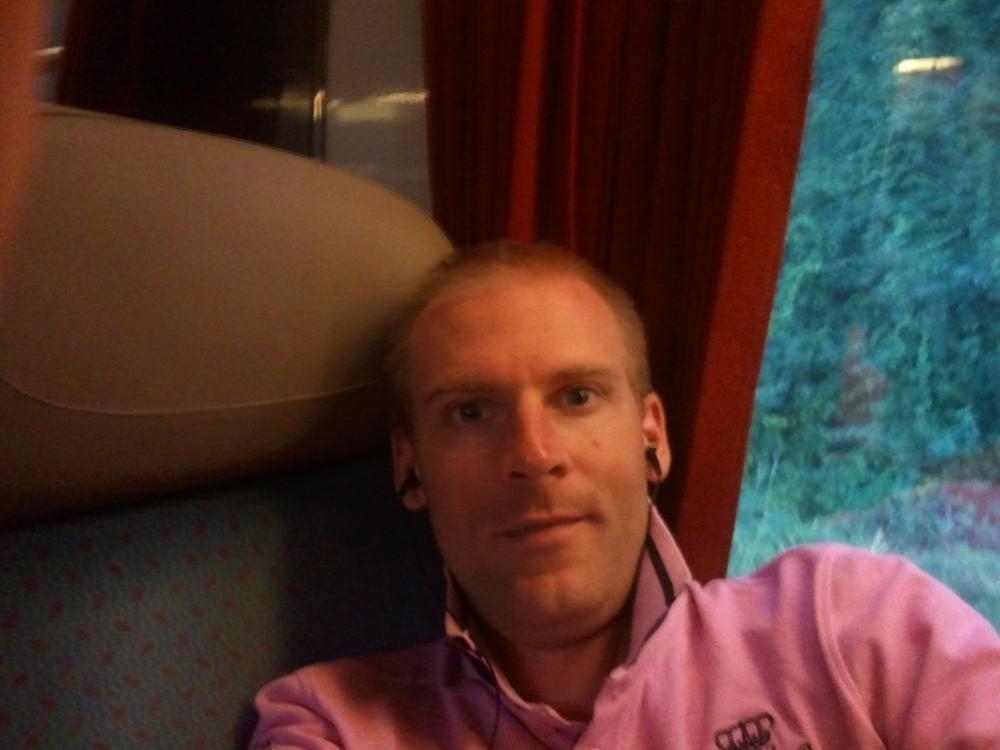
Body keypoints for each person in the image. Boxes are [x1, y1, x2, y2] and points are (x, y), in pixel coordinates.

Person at [250, 242, 1000, 749]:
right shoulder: (331, 725)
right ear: (411, 468)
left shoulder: (853, 626)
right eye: (471, 412)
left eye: (577, 397)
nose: (534, 455)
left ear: (652, 438)